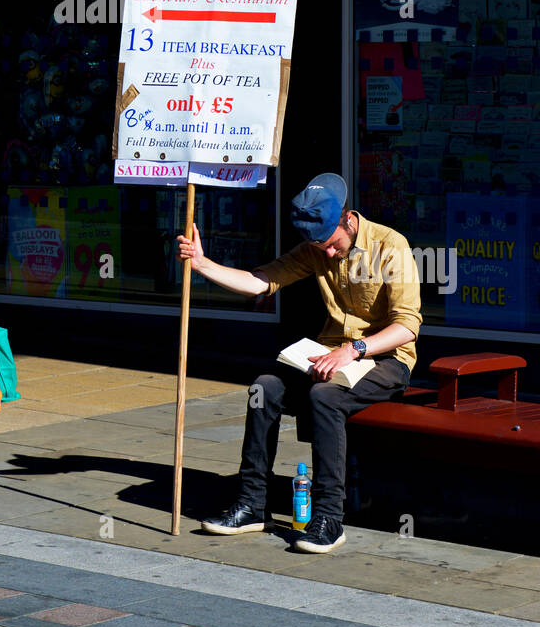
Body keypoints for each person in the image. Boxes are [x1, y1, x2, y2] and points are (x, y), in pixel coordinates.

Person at [176, 172, 422, 554]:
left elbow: (407, 327)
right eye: (317, 245)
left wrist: (354, 349)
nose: (325, 253)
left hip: (385, 358)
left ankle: (328, 517)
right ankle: (252, 504)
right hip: (330, 353)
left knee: (325, 397)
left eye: (331, 244)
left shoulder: (391, 246)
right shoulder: (314, 248)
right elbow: (261, 281)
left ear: (346, 218)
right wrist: (203, 263)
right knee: (264, 387)